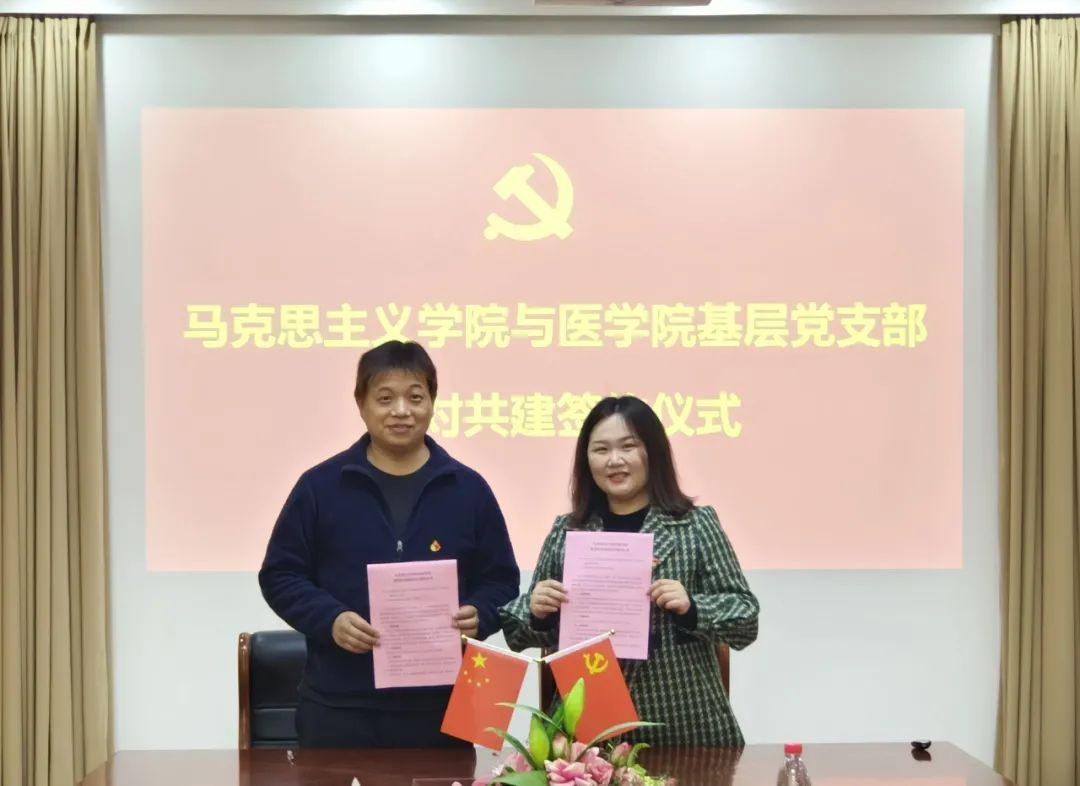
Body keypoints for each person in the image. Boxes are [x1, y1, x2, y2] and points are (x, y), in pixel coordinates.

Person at [259, 340, 520, 749]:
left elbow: (501, 580)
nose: (401, 410)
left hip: (441, 710)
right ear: (361, 404)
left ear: (432, 402)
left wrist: (481, 613)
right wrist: (330, 619)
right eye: (385, 398)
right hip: (337, 707)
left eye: (415, 397)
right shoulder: (320, 487)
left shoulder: (469, 489)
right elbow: (280, 575)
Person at [500, 395, 758, 746]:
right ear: (586, 460)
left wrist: (693, 607)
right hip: (588, 731)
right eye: (601, 449)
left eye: (628, 446)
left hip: (685, 728)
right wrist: (537, 611)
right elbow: (518, 632)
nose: (615, 460)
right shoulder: (568, 531)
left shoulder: (695, 525)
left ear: (653, 452)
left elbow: (746, 619)